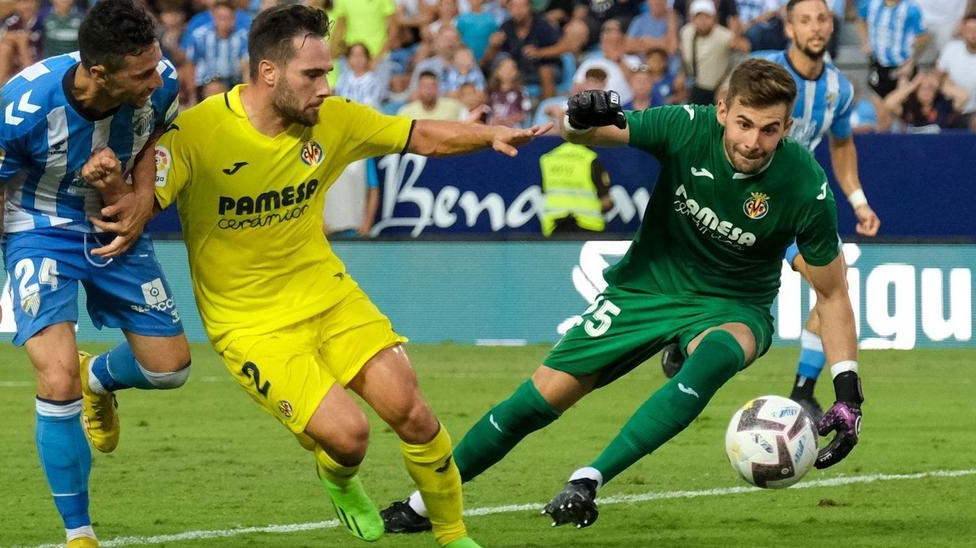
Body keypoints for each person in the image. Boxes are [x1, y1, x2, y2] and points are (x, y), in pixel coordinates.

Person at [80, 5, 549, 547]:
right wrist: (112, 183)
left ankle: (452, 534)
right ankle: (338, 476)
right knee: (349, 438)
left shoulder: (334, 120)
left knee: (413, 413)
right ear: (268, 72)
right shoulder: (198, 132)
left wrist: (486, 133)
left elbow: (419, 135)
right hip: (251, 324)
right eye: (313, 75)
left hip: (329, 297)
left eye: (327, 73)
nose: (326, 87)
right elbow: (136, 207)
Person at [380, 58, 865, 533]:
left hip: (734, 305)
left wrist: (848, 394)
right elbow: (591, 133)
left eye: (769, 130)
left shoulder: (806, 185)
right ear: (721, 110)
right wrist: (578, 116)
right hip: (645, 287)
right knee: (535, 403)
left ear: (787, 127)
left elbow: (832, 293)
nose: (753, 142)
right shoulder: (684, 126)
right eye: (743, 124)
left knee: (714, 358)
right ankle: (423, 506)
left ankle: (587, 479)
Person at [0, 1, 193, 546]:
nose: (154, 79)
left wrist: (139, 197)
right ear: (97, 73)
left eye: (154, 65)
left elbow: (152, 139)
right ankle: (80, 533)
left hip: (110, 220)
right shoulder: (19, 107)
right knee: (55, 376)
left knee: (170, 369)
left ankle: (100, 378)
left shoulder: (159, 82)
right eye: (138, 74)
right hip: (37, 227)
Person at [737, 0, 880, 422]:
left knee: (832, 283)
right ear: (789, 28)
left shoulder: (840, 89)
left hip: (795, 207)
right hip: (740, 198)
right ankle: (682, 336)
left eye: (822, 19)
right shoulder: (761, 70)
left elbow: (841, 146)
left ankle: (803, 389)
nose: (815, 28)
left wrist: (858, 200)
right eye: (805, 20)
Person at [856, 0, 930, 129]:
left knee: (901, 114)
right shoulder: (872, 4)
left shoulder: (911, 9)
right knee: (881, 116)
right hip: (878, 66)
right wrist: (865, 41)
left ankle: (902, 143)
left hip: (902, 68)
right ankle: (882, 145)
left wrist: (911, 60)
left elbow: (923, 36)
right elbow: (860, 20)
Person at [538, 139, 612, 237]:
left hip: (555, 227)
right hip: (588, 226)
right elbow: (606, 201)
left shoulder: (548, 158)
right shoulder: (590, 158)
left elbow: (545, 192)